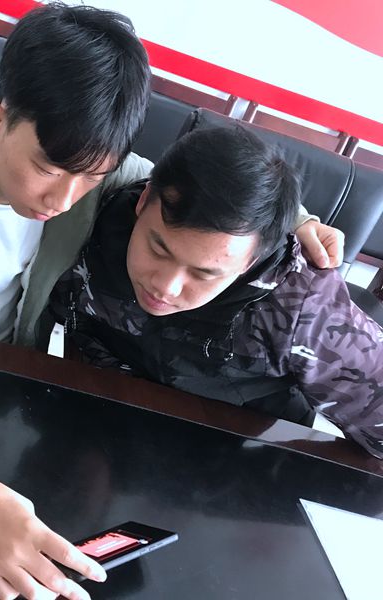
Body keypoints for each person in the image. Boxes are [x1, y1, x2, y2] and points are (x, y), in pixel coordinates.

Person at [0, 4, 346, 599]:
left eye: (92, 177)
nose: (65, 200)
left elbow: (202, 188)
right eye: (48, 169)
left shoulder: (102, 173)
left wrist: (293, 219)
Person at [47, 126, 383, 458]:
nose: (165, 286)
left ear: (252, 260)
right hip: (97, 428)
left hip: (239, 460)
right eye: (158, 249)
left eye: (203, 273)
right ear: (144, 200)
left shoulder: (305, 309)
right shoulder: (99, 214)